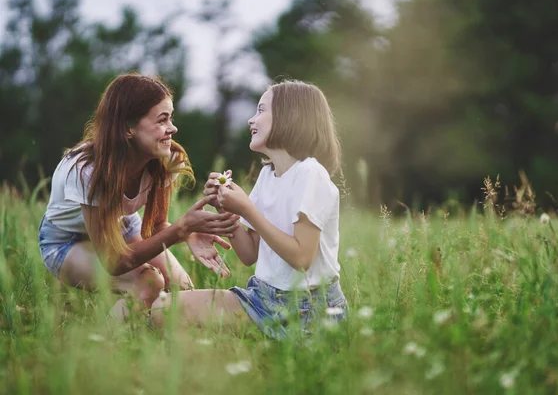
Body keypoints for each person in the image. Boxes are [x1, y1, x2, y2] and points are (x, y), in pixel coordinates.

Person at [151, 80, 348, 339]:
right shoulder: (268, 175)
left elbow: (302, 259)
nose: (250, 120)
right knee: (163, 309)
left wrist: (247, 210)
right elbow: (248, 254)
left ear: (291, 117)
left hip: (309, 308)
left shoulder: (311, 174)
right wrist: (228, 209)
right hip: (263, 297)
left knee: (167, 311)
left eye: (261, 110)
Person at [38, 73, 239, 310]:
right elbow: (114, 262)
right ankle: (113, 343)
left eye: (171, 118)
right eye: (162, 120)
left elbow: (155, 227)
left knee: (183, 293)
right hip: (65, 240)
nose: (172, 128)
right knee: (148, 282)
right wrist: (182, 227)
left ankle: (152, 336)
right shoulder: (86, 169)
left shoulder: (167, 158)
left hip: (123, 226)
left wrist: (188, 235)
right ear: (128, 128)